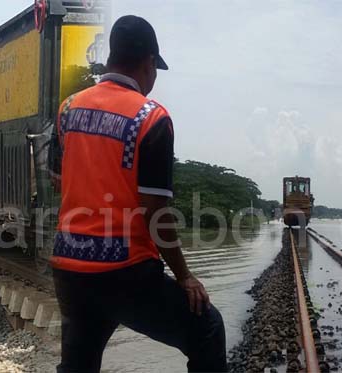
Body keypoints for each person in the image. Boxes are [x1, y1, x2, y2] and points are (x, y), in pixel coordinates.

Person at [47, 15, 227, 373]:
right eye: (155, 69)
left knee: (78, 365)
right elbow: (155, 213)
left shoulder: (68, 109)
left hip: (70, 268)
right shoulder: (151, 118)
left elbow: (56, 180)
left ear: (112, 57)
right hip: (125, 273)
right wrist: (185, 276)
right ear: (148, 64)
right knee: (207, 328)